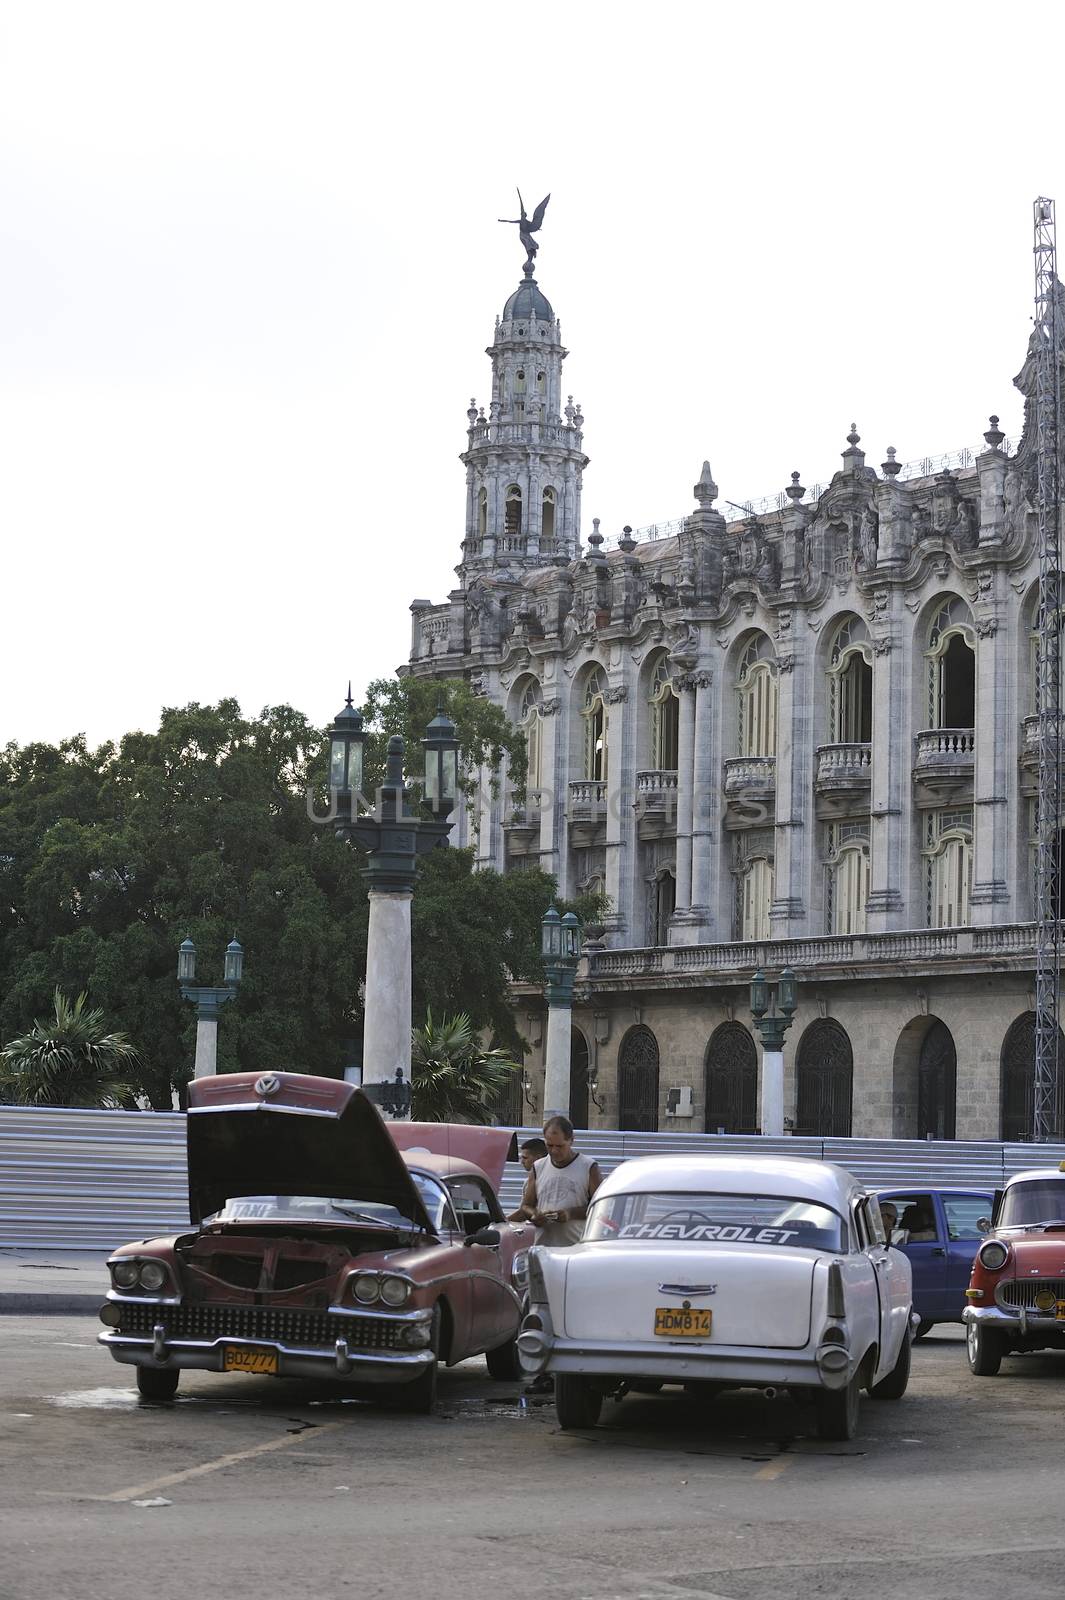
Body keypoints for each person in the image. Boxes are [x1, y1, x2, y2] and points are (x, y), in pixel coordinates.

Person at [514, 1115, 602, 1247]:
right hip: (543, 1249)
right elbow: (526, 1206)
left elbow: (600, 1208)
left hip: (576, 1250)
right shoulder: (538, 1167)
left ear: (571, 1141)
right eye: (549, 1145)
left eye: (560, 1146)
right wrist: (535, 1215)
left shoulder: (588, 1167)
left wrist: (570, 1214)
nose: (554, 1151)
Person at [506, 1138, 547, 1222]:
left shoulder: (537, 1181)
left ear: (538, 1159)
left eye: (525, 1158)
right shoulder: (529, 1181)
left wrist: (502, 1222)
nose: (522, 1162)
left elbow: (522, 1214)